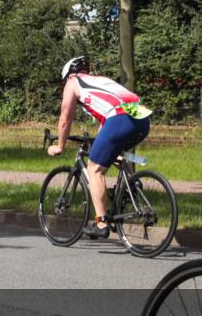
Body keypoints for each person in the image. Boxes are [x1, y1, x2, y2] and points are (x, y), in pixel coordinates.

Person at [47, 56, 152, 238]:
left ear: (68, 75)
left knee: (94, 170)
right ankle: (130, 189)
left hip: (120, 118)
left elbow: (65, 118)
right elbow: (111, 116)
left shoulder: (73, 82)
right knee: (116, 155)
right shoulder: (101, 80)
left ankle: (101, 223)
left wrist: (60, 145)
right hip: (142, 117)